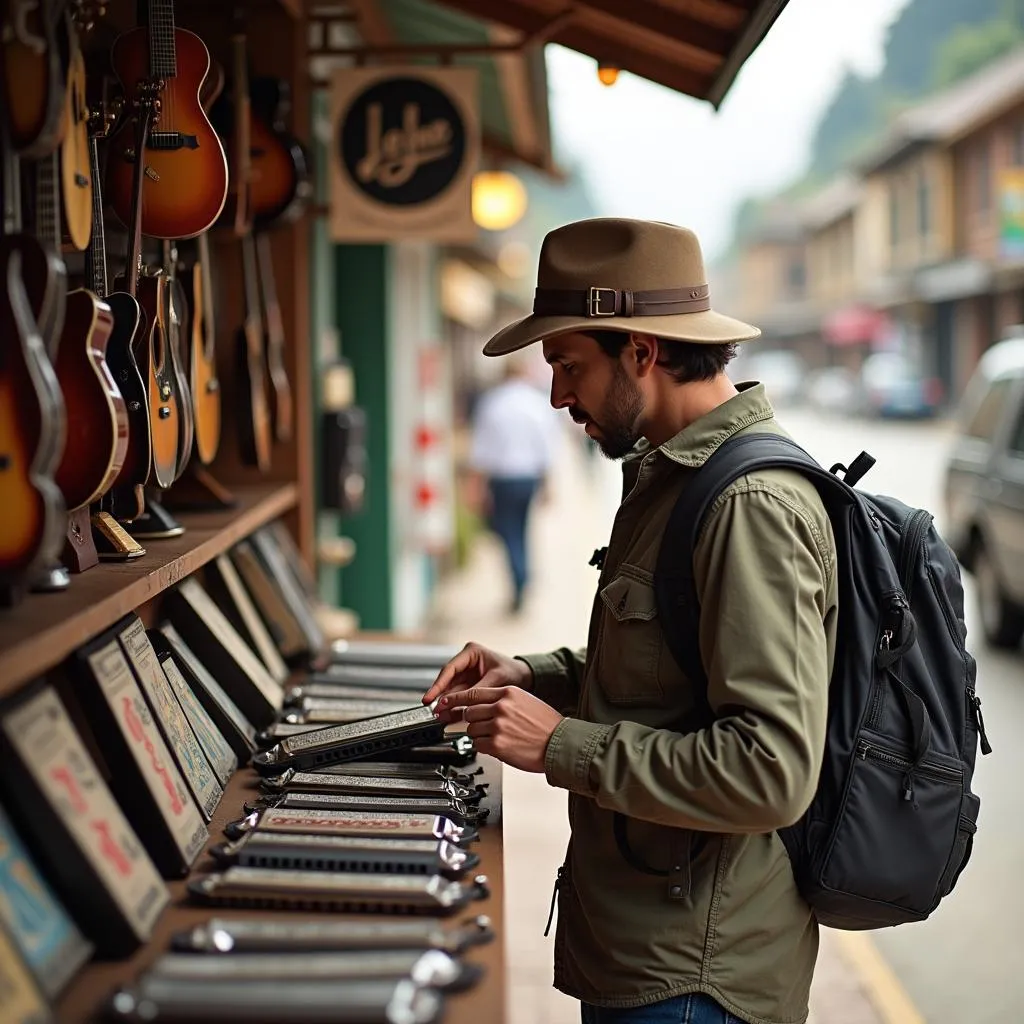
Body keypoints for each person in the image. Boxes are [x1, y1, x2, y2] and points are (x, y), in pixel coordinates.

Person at [424, 218, 838, 1024]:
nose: (555, 396)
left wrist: (556, 743)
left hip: (692, 985)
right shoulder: (672, 475)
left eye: (568, 364)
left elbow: (770, 770)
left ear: (641, 353)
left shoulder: (749, 505)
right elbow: (669, 670)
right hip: (649, 951)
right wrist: (533, 676)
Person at [468, 357, 559, 613]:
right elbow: (548, 446)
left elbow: (481, 449)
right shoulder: (536, 403)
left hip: (503, 479)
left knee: (508, 532)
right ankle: (523, 575)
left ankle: (520, 578)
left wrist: (475, 486)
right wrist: (549, 483)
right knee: (521, 529)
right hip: (528, 477)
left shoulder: (492, 402)